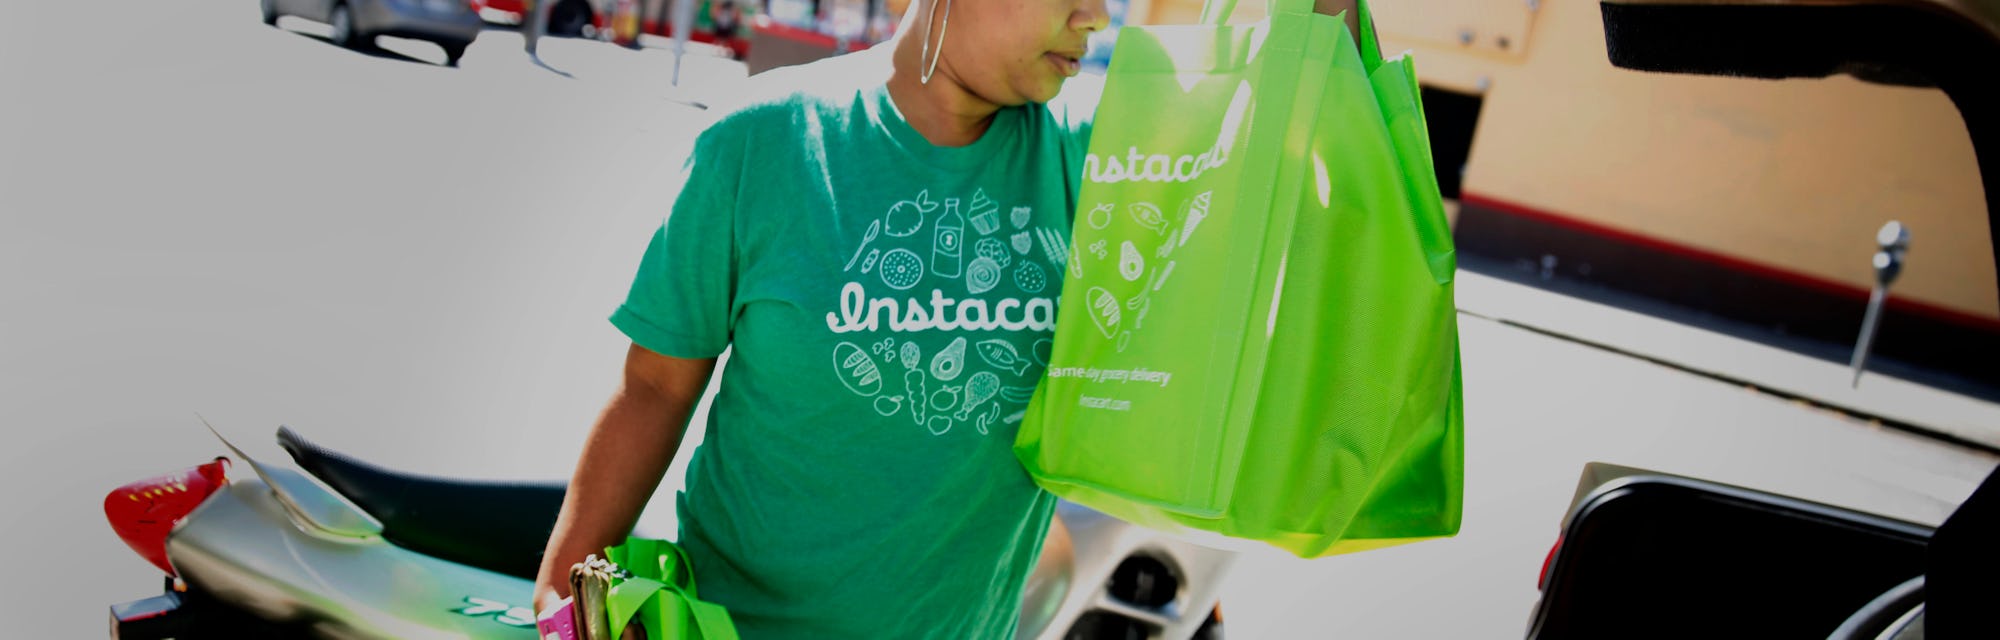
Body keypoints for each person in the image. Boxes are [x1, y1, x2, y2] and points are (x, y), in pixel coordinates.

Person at [530, 0, 1110, 636]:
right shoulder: (762, 138)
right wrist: (562, 599)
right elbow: (655, 385)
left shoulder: (1099, 160)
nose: (1096, 17)